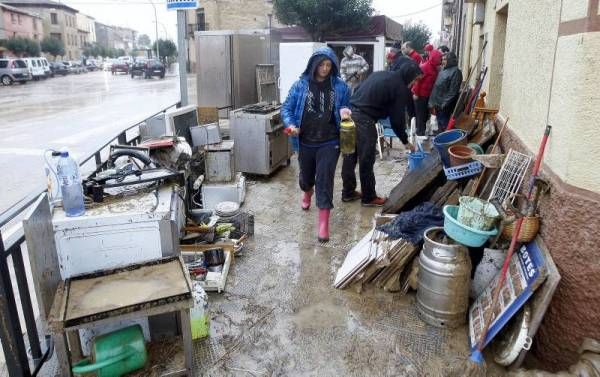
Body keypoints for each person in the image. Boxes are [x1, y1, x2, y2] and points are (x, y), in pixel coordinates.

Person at [282, 47, 351, 243]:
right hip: (304, 141)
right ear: (313, 65)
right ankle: (306, 191)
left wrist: (346, 112)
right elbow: (286, 108)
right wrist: (291, 125)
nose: (325, 68)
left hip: (330, 141)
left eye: (329, 65)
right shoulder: (300, 86)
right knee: (306, 177)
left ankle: (323, 224)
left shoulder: (341, 87)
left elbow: (347, 106)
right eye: (321, 64)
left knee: (325, 179)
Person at [341, 64, 422, 207]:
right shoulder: (400, 87)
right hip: (364, 119)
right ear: (409, 76)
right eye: (415, 80)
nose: (414, 83)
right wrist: (405, 142)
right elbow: (397, 121)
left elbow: (358, 88)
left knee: (349, 156)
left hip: (349, 114)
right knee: (366, 159)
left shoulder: (381, 74)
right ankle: (368, 197)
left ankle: (348, 192)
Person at [412, 49, 443, 136]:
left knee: (425, 115)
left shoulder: (435, 68)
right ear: (434, 58)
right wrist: (416, 93)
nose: (440, 61)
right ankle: (419, 133)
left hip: (428, 95)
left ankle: (422, 131)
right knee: (420, 115)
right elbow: (417, 80)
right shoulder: (425, 67)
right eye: (439, 58)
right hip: (420, 95)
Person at [429, 52, 463, 131]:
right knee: (440, 124)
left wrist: (444, 104)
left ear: (450, 60)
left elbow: (453, 91)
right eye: (442, 59)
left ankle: (445, 140)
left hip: (445, 105)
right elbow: (437, 87)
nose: (443, 61)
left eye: (445, 59)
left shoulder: (456, 72)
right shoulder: (443, 70)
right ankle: (440, 136)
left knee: (445, 125)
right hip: (438, 103)